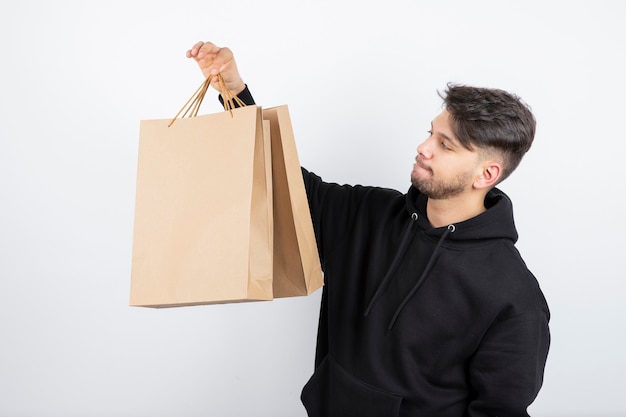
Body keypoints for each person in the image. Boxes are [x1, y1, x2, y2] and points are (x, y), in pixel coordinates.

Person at [186, 41, 550, 417]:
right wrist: (233, 92)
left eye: (445, 145)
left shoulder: (513, 297)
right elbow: (284, 185)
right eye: (430, 133)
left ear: (486, 174)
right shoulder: (369, 214)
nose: (423, 148)